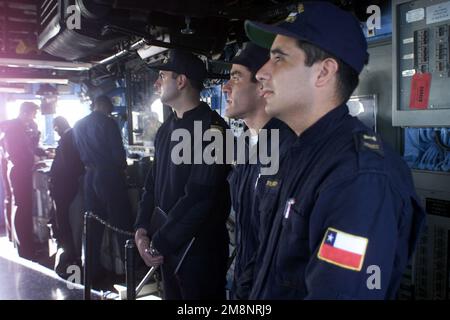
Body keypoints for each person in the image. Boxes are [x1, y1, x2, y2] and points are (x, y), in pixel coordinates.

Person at [243, 1, 426, 299]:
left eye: (278, 58)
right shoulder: (296, 152)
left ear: (324, 72)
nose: (261, 72)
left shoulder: (360, 175)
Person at [134, 49, 231, 300]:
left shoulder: (215, 131)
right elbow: (152, 183)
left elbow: (200, 198)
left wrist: (158, 242)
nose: (156, 83)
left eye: (163, 76)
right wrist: (142, 228)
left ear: (181, 81)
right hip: (167, 248)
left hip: (199, 253)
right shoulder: (167, 128)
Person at [222, 42, 295, 299]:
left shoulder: (286, 148)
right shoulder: (245, 144)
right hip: (246, 283)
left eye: (236, 77)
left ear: (262, 87)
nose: (225, 87)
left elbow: (278, 243)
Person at [73, 95, 133, 281]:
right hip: (109, 176)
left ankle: (91, 270)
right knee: (122, 221)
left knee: (93, 225)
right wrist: (124, 168)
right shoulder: (109, 123)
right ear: (104, 105)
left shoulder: (79, 124)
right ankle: (129, 271)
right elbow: (118, 156)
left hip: (89, 177)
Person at [1, 102, 41, 259]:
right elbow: (17, 153)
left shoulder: (17, 127)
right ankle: (25, 249)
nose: (34, 117)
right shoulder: (14, 128)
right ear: (25, 113)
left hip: (19, 169)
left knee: (22, 207)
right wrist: (32, 160)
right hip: (19, 171)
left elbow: (27, 148)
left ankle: (25, 246)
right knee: (22, 208)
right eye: (33, 114)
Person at [49, 116, 84, 276]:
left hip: (64, 187)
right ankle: (68, 252)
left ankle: (67, 255)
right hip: (67, 185)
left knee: (63, 221)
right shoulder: (72, 136)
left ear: (57, 126)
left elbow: (69, 165)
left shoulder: (67, 138)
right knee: (63, 220)